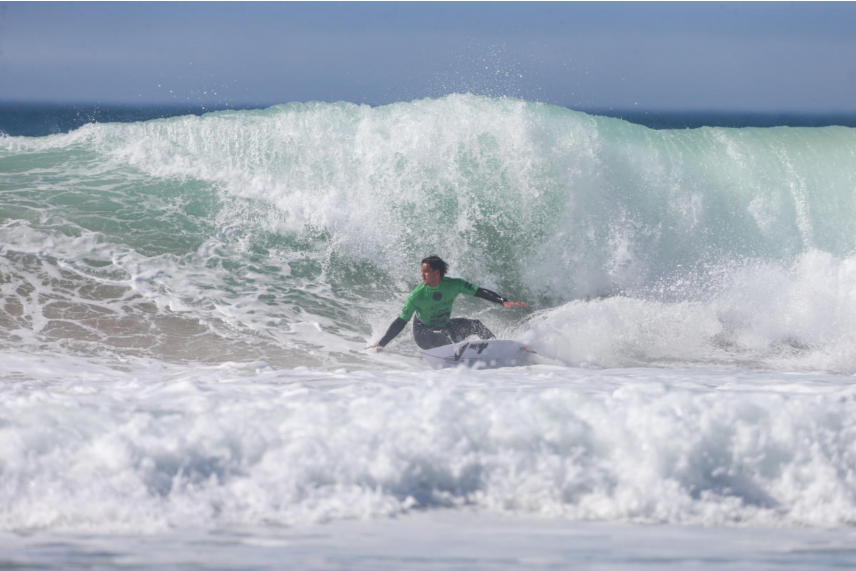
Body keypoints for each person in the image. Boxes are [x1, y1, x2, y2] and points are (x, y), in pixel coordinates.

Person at [366, 255, 526, 351]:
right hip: (423, 332)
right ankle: (456, 358)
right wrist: (381, 344)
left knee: (476, 325)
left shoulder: (454, 284)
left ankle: (497, 348)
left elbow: (479, 291)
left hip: (443, 326)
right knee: (445, 335)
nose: (422, 275)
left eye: (426, 271)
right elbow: (400, 322)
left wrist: (502, 301)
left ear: (437, 272)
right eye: (421, 271)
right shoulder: (416, 296)